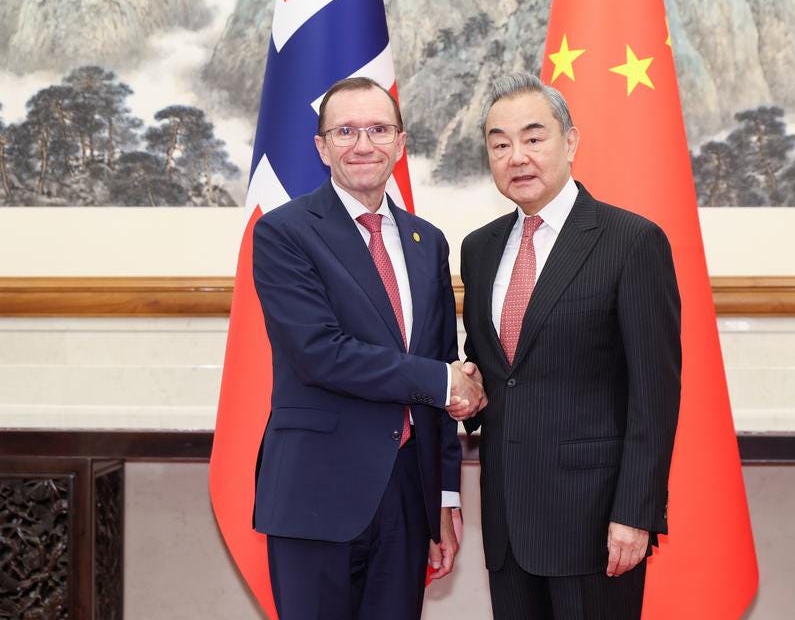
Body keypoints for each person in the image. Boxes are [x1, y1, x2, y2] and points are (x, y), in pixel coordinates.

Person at [252, 77, 484, 619]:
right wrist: (444, 382)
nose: (363, 144)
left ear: (400, 144)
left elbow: (442, 358)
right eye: (346, 131)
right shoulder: (285, 233)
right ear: (321, 146)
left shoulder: (428, 242)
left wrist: (443, 500)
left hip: (407, 496)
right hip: (315, 493)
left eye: (378, 129)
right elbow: (320, 352)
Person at [460, 72, 681, 619]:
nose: (517, 157)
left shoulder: (631, 241)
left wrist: (635, 512)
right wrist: (462, 387)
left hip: (595, 523)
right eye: (500, 143)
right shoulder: (479, 249)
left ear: (571, 142)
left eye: (534, 138)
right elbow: (495, 366)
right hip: (508, 519)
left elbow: (655, 394)